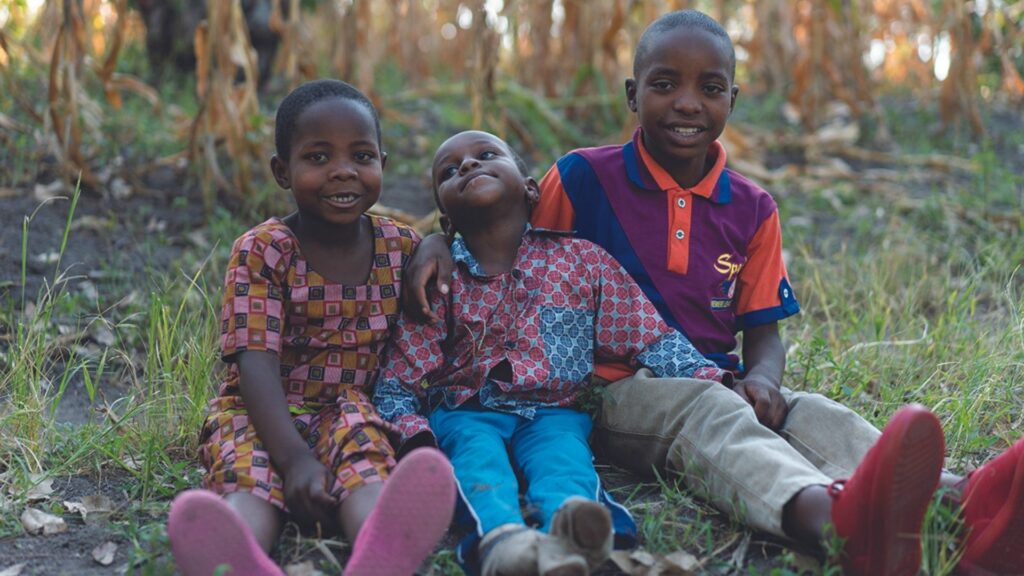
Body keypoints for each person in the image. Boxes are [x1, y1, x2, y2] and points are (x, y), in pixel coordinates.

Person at [401, 11, 1024, 576]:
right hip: (619, 389)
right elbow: (501, 234)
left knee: (810, 413)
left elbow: (764, 330)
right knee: (713, 414)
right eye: (665, 84)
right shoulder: (582, 177)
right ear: (632, 94)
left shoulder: (753, 208)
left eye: (710, 87)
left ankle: (956, 502)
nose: (687, 103)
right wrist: (436, 240)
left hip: (720, 374)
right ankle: (826, 519)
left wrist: (765, 382)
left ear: (733, 96)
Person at [373, 129, 736, 576]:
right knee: (475, 461)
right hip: (466, 410)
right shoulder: (440, 280)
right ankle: (503, 541)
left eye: (486, 155)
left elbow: (646, 336)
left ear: (530, 189)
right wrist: (414, 434)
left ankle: (576, 534)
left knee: (564, 462)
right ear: (445, 218)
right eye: (450, 170)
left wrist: (708, 375)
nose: (468, 166)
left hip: (554, 411)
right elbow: (401, 375)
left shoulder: (582, 261)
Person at [166, 79, 456, 576]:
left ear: (382, 165)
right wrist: (296, 460)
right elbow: (253, 361)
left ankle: (379, 551)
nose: (343, 171)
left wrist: (435, 243)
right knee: (248, 475)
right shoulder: (264, 250)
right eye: (318, 158)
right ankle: (235, 554)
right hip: (260, 412)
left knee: (366, 458)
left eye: (361, 156)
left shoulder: (399, 246)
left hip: (348, 409)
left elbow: (443, 251)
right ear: (283, 171)